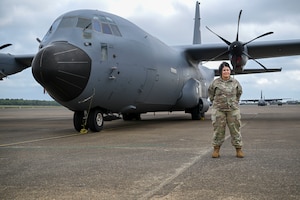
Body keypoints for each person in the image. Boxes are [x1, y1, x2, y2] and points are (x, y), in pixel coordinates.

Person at [208, 62, 244, 158]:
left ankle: (238, 149)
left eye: (227, 70)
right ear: (221, 72)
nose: (226, 71)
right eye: (224, 70)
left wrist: (234, 102)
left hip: (233, 110)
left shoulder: (235, 82)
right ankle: (216, 149)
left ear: (230, 71)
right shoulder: (215, 83)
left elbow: (239, 93)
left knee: (235, 129)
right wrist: (217, 103)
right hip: (219, 110)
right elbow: (211, 94)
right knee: (218, 130)